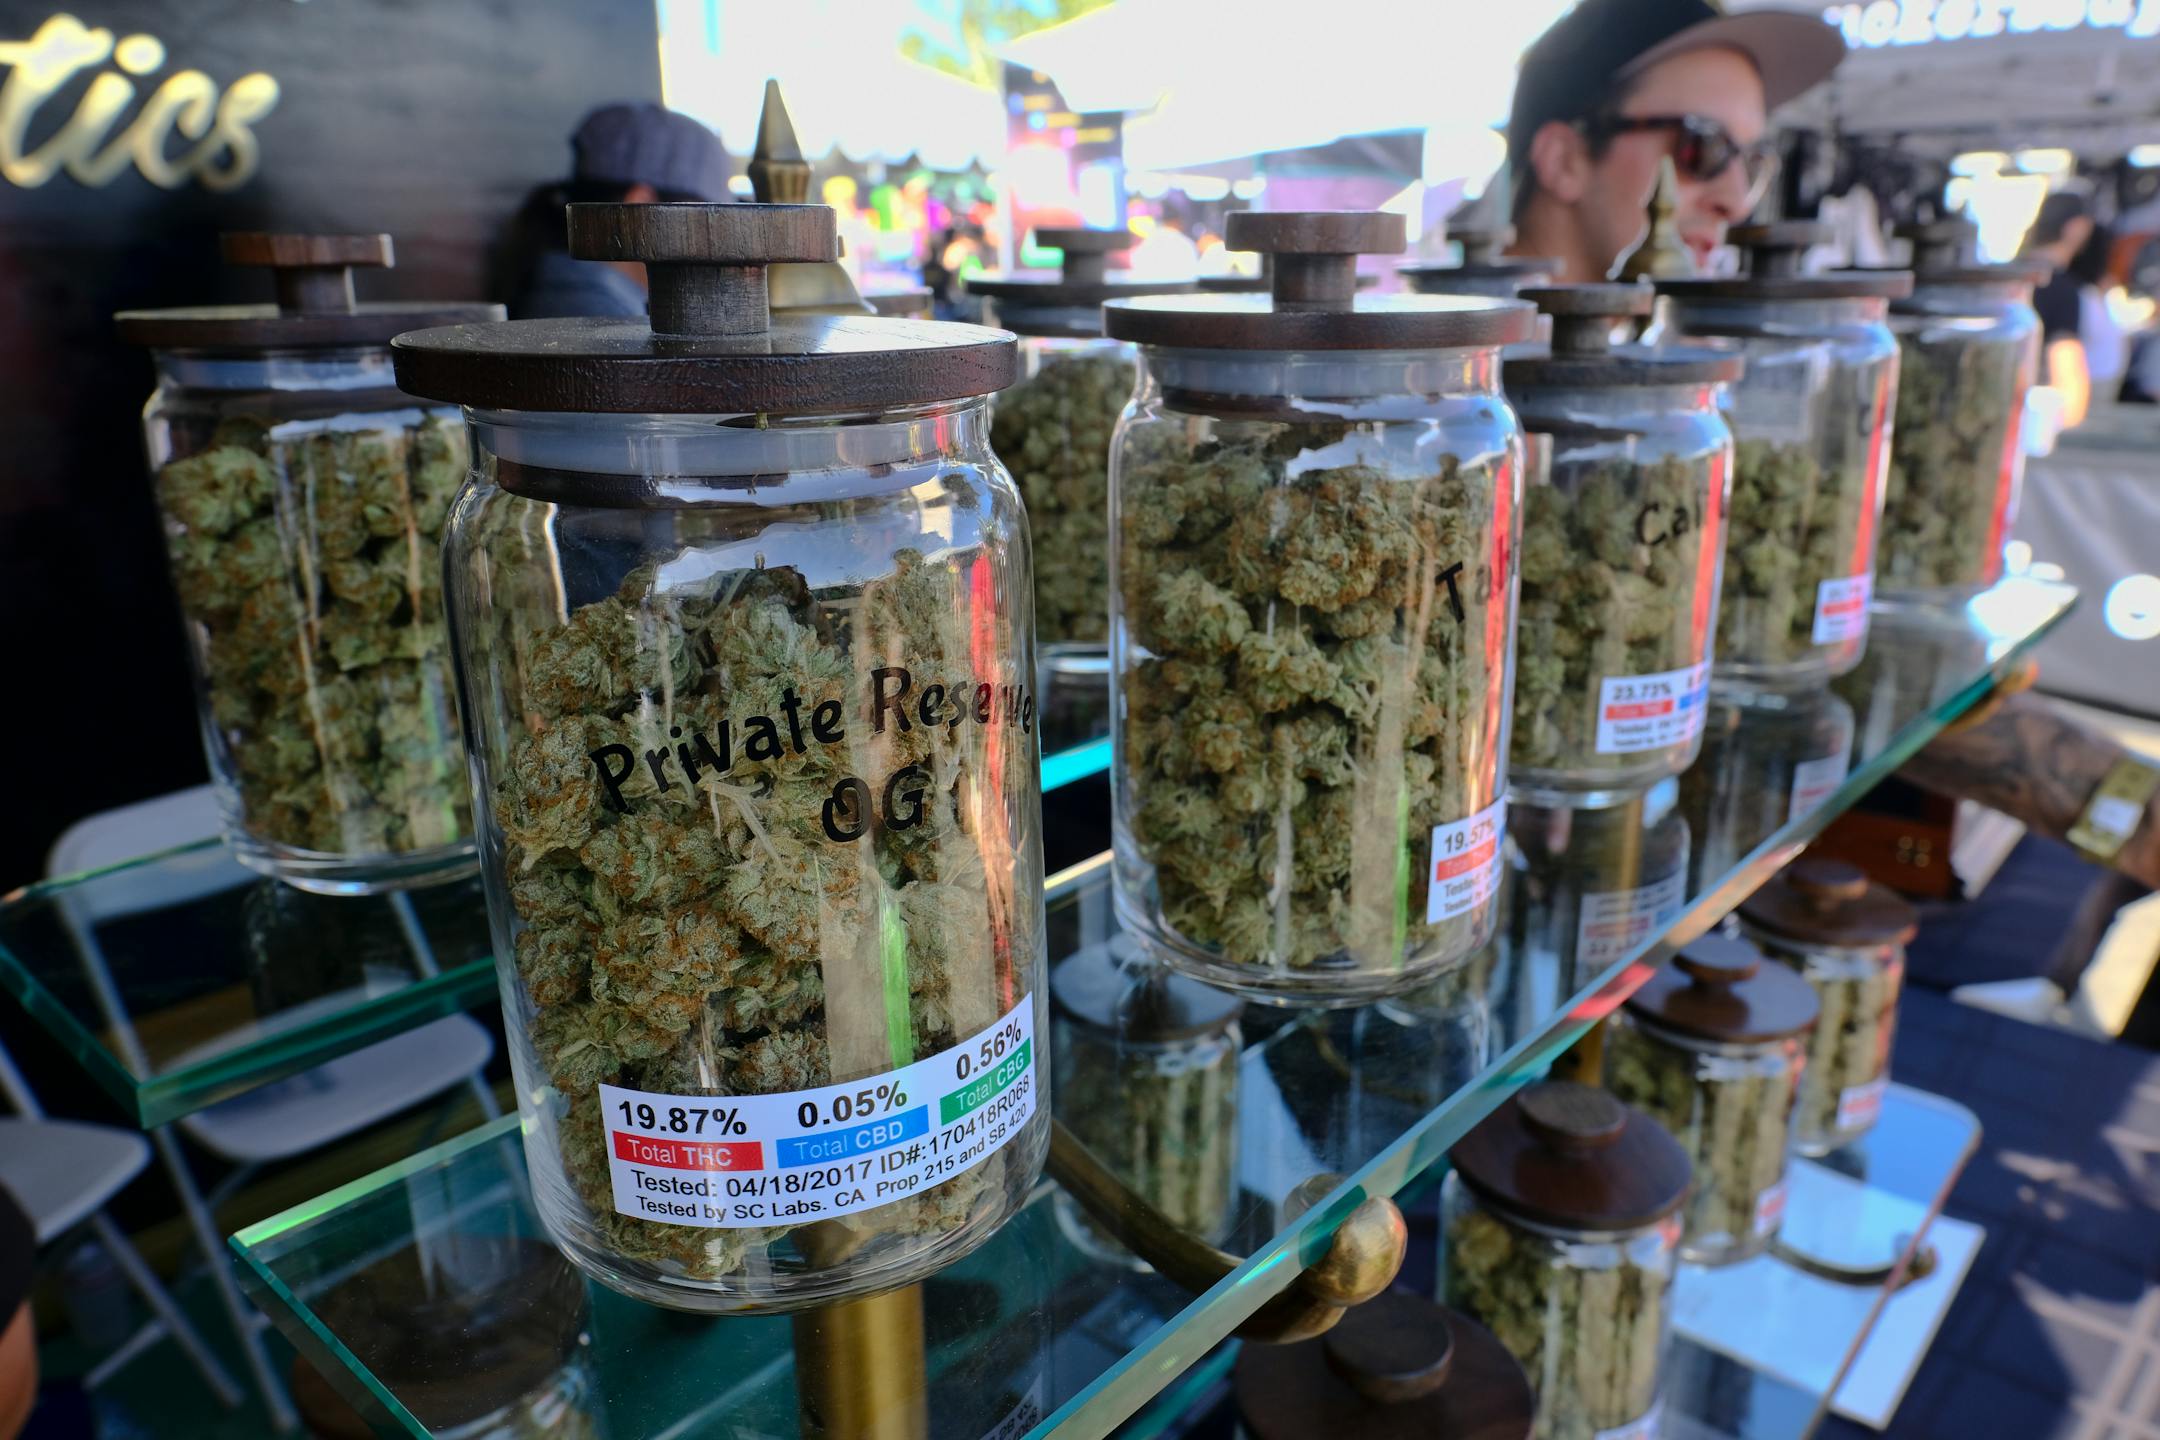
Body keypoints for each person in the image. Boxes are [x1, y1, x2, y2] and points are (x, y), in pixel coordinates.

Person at [1505, 0, 1845, 282]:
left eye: (1753, 162)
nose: (1738, 203)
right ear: (1564, 160)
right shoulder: (1465, 358)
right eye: (1704, 147)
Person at [508, 102, 731, 320]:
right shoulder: (595, 313)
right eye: (708, 216)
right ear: (642, 207)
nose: (716, 237)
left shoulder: (591, 296)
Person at [2025, 190, 2097, 429]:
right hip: (2028, 421)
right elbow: (2067, 369)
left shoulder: (2007, 276)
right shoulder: (2061, 288)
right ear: (2077, 227)